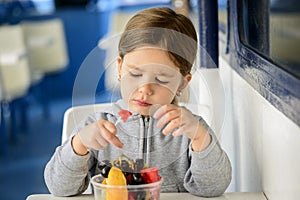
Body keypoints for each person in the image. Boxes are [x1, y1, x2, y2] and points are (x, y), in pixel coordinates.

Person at [44, 7, 232, 197]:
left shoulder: (192, 130)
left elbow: (213, 188)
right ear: (119, 68)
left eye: (161, 79)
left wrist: (200, 138)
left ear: (182, 83)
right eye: (135, 74)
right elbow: (59, 188)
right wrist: (79, 144)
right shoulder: (97, 126)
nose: (145, 89)